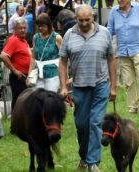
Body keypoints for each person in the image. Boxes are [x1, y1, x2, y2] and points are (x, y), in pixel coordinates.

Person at [59, 4, 117, 172]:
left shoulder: (104, 33)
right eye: (80, 20)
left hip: (100, 84)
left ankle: (93, 163)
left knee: (96, 122)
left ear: (93, 17)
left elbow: (111, 60)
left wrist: (113, 87)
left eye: (87, 19)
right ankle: (84, 157)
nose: (84, 23)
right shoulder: (69, 35)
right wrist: (63, 86)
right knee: (82, 125)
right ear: (76, 19)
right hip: (79, 87)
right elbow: (62, 62)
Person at [107, 0, 139, 114]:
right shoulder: (114, 11)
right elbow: (109, 30)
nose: (119, 1)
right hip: (123, 50)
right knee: (128, 80)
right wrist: (106, 44)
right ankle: (132, 107)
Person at [0, 17, 33, 112]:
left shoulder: (24, 40)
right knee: (20, 102)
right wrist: (14, 70)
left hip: (25, 76)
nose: (23, 30)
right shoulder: (13, 40)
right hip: (19, 77)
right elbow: (3, 56)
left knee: (24, 102)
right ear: (14, 29)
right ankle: (16, 124)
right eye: (20, 28)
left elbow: (24, 53)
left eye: (24, 28)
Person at [28, 13, 62, 92]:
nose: (40, 28)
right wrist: (29, 74)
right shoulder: (35, 37)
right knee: (37, 99)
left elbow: (63, 58)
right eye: (38, 25)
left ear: (48, 25)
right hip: (38, 74)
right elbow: (33, 57)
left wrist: (63, 78)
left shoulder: (57, 38)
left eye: (42, 25)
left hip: (53, 74)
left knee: (50, 99)